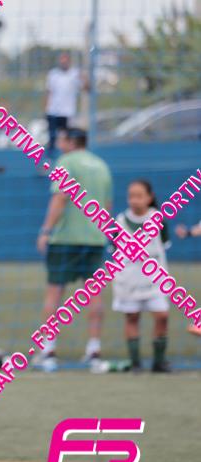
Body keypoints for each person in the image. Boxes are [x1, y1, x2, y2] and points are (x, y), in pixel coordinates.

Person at [36, 128, 112, 372]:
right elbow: (107, 205)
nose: (58, 143)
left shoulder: (66, 162)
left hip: (65, 240)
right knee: (94, 295)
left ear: (71, 141)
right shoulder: (102, 166)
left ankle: (48, 348)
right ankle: (94, 348)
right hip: (95, 239)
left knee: (54, 293)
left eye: (61, 139)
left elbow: (60, 197)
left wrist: (46, 230)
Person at [112, 180, 171, 372]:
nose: (134, 200)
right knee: (132, 317)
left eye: (139, 196)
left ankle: (159, 361)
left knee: (162, 315)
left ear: (149, 197)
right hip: (129, 278)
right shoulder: (120, 221)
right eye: (131, 196)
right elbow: (114, 250)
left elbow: (164, 245)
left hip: (154, 278)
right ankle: (135, 362)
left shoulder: (158, 219)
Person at [45, 52, 87, 157]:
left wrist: (84, 78)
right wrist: (46, 108)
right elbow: (49, 92)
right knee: (52, 137)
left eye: (65, 60)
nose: (63, 62)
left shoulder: (75, 74)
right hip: (53, 111)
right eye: (61, 60)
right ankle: (49, 159)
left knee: (67, 137)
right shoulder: (53, 74)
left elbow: (86, 88)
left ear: (69, 61)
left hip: (67, 112)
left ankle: (66, 158)